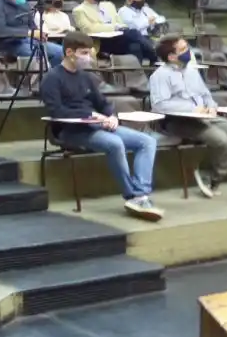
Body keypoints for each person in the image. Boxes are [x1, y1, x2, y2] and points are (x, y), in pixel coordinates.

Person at [41, 32, 163, 220]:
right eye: (83, 53)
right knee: (114, 143)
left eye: (89, 53)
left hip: (96, 126)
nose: (88, 57)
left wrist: (111, 116)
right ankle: (132, 195)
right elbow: (57, 112)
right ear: (69, 52)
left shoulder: (87, 77)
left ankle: (141, 193)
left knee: (147, 141)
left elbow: (103, 103)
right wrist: (90, 115)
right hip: (70, 131)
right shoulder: (52, 78)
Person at [150, 36, 227, 197]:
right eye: (183, 49)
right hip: (177, 121)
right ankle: (206, 172)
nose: (189, 51)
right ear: (171, 56)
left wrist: (211, 106)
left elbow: (205, 94)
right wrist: (193, 109)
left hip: (204, 116)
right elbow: (159, 105)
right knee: (221, 140)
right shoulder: (159, 76)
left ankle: (214, 177)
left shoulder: (191, 70)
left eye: (187, 47)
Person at [72, 0, 158, 65]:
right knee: (134, 33)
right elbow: (89, 29)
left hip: (117, 38)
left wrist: (119, 27)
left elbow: (121, 23)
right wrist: (114, 27)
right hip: (101, 42)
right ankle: (155, 55)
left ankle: (137, 74)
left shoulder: (109, 5)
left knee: (135, 46)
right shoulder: (79, 10)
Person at [0, 0, 63, 67]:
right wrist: (28, 33)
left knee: (60, 52)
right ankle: (41, 78)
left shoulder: (24, 4)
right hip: (11, 44)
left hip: (31, 41)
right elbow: (1, 31)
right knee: (39, 56)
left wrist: (39, 34)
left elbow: (31, 25)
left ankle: (52, 76)